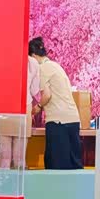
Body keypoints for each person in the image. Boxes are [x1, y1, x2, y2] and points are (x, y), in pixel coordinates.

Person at [29, 37, 83, 170]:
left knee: (56, 166)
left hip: (58, 121)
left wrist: (38, 107)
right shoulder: (56, 66)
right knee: (74, 164)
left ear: (33, 56)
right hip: (73, 119)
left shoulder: (43, 68)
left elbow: (47, 95)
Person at [0, 54, 40, 169]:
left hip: (3, 105)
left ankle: (3, 179)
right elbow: (34, 90)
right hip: (24, 105)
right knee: (19, 158)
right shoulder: (32, 62)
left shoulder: (2, 56)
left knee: (4, 159)